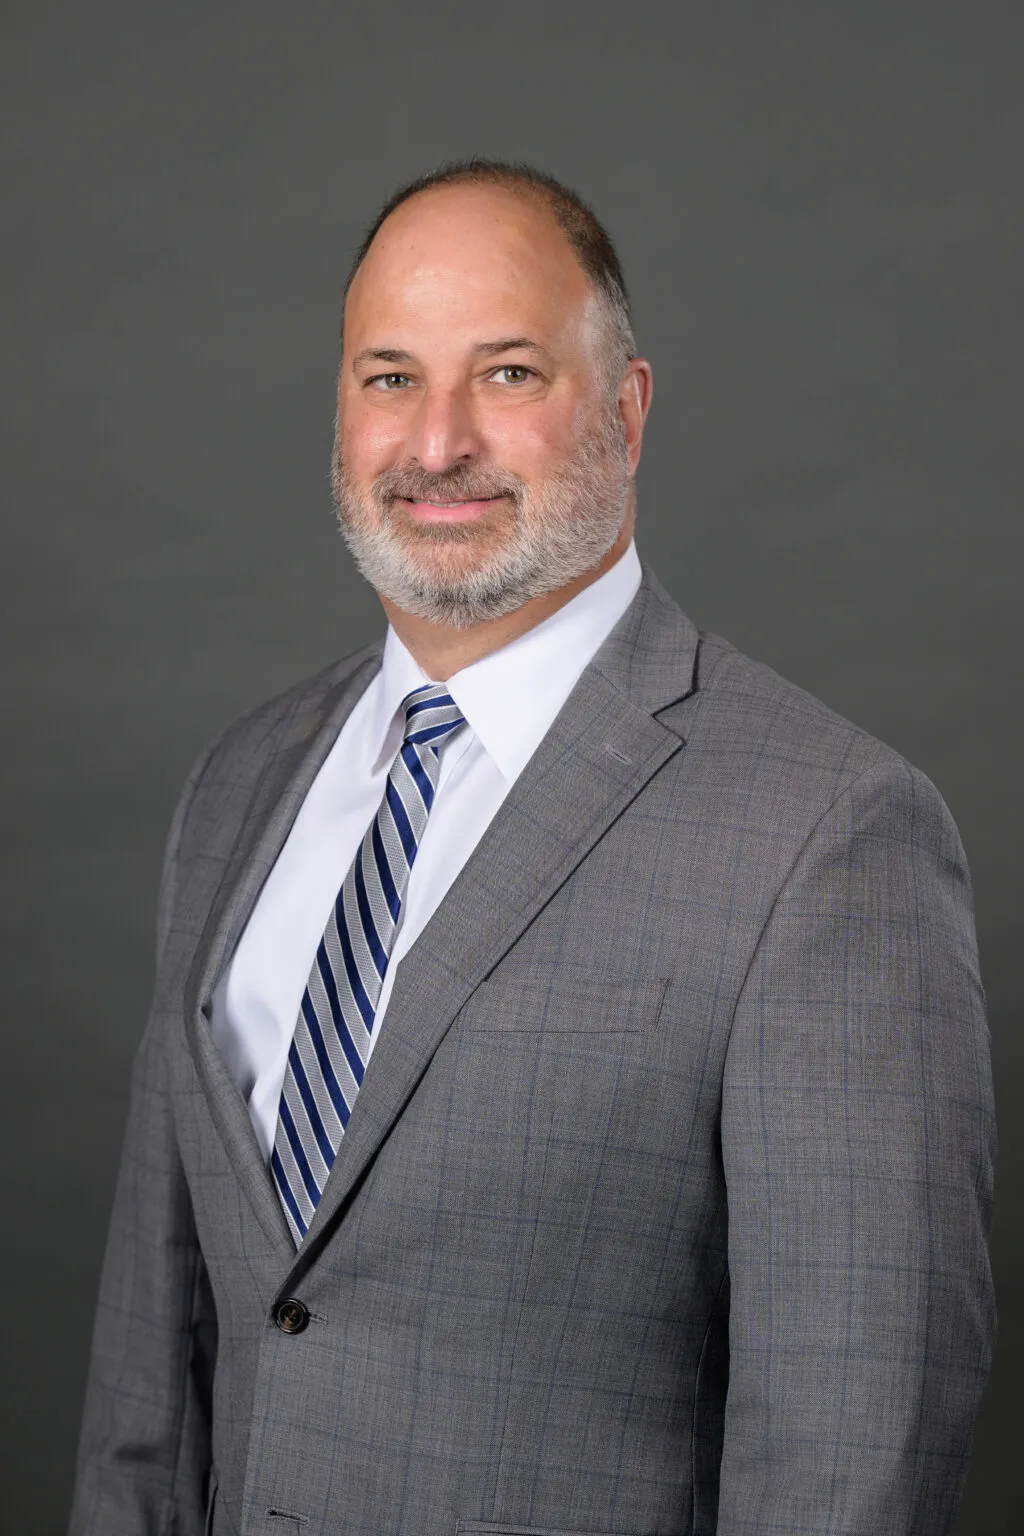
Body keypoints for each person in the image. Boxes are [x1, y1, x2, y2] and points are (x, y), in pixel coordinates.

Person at [69, 159, 995, 1536]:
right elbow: (150, 1381)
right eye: (389, 377)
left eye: (507, 375)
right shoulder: (241, 783)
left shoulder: (829, 832)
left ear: (623, 408)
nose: (436, 441)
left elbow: (849, 1452)